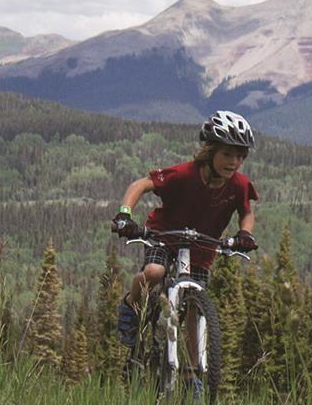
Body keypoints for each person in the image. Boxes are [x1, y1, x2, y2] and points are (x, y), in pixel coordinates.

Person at [111, 110, 261, 343]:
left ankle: (193, 375)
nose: (234, 162)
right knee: (154, 272)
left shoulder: (239, 185)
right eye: (227, 154)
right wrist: (125, 215)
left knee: (195, 308)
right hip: (164, 236)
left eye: (241, 156)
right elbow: (140, 185)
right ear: (210, 152)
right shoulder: (184, 174)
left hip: (202, 247)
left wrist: (245, 234)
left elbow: (246, 212)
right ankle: (130, 306)